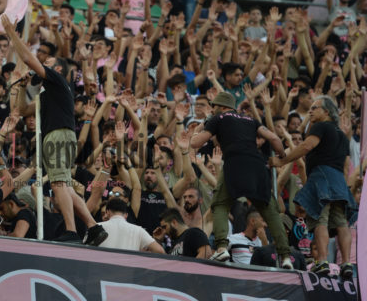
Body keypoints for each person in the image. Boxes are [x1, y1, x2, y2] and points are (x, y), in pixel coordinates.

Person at [1, 15, 108, 246]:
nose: (41, 62)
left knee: (59, 184)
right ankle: (93, 227)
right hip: (59, 135)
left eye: (46, 61)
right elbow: (23, 110)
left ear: (57, 68)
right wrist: (22, 88)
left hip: (58, 135)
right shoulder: (48, 93)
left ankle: (71, 230)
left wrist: (11, 34)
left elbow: (28, 59)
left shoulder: (57, 79)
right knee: (65, 185)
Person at [190, 92, 293, 269]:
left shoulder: (218, 118)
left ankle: (221, 248)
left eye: (214, 107)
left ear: (222, 107)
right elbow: (274, 138)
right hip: (257, 166)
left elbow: (195, 143)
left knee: (220, 205)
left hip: (234, 163)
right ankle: (285, 257)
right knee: (271, 211)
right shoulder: (250, 120)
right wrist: (282, 156)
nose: (212, 110)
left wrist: (196, 131)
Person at [270, 96, 354, 278]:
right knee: (341, 222)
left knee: (320, 218)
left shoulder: (320, 126)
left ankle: (322, 261)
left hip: (321, 176)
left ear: (326, 112)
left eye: (315, 108)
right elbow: (347, 165)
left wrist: (282, 161)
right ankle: (346, 263)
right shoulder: (342, 135)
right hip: (339, 180)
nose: (310, 110)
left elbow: (307, 146)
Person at [98, 198, 165, 253]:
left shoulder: (97, 227)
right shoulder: (138, 230)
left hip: (101, 265)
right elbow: (160, 251)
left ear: (107, 212)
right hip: (127, 266)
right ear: (126, 215)